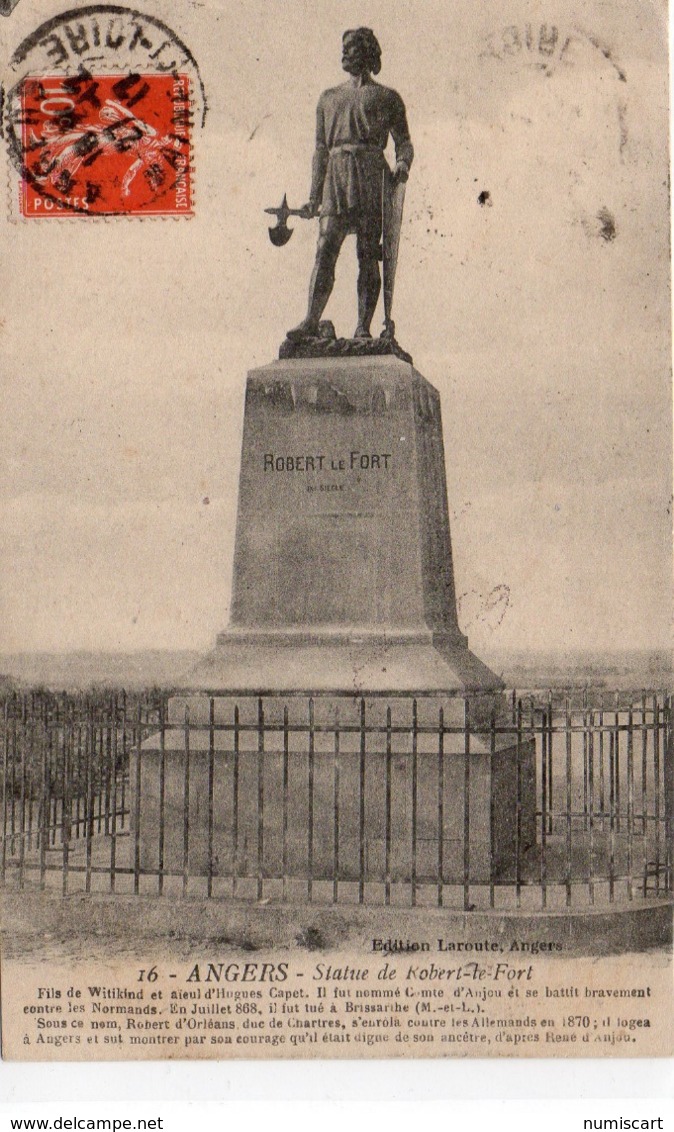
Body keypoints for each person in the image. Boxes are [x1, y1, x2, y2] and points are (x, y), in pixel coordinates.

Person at [287, 27, 413, 341]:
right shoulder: (328, 98)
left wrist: (401, 164)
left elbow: (404, 143)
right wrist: (314, 195)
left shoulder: (387, 98)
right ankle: (310, 320)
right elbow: (320, 150)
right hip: (335, 177)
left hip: (371, 176)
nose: (346, 53)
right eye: (345, 47)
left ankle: (362, 328)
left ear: (368, 52)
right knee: (325, 247)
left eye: (353, 47)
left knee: (368, 253)